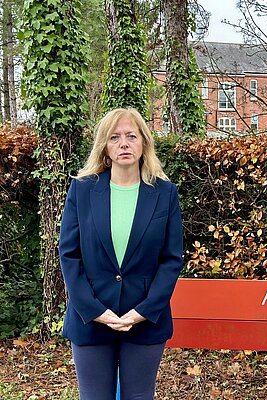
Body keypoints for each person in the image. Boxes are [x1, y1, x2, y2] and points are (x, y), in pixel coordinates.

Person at [59, 108, 183, 399]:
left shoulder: (165, 194)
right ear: (104, 146)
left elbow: (171, 259)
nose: (124, 144)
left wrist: (144, 311)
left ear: (144, 143)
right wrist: (93, 310)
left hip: (144, 320)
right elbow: (69, 255)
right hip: (91, 319)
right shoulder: (82, 190)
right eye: (115, 137)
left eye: (131, 136)